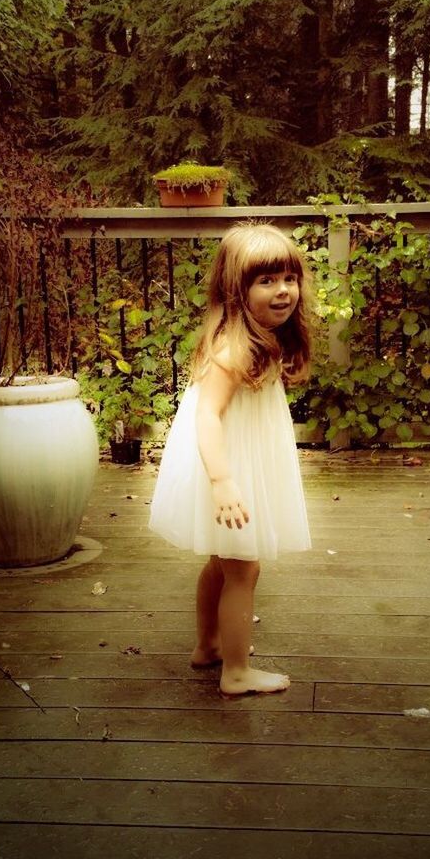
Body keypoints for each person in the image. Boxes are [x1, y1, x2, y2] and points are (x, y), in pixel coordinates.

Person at [149, 222, 313, 696]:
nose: (283, 291)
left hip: (242, 454)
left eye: (289, 278)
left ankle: (209, 645)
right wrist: (222, 480)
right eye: (266, 281)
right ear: (235, 290)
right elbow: (207, 416)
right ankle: (236, 673)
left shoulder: (259, 334)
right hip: (226, 461)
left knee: (223, 563)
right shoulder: (232, 346)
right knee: (244, 566)